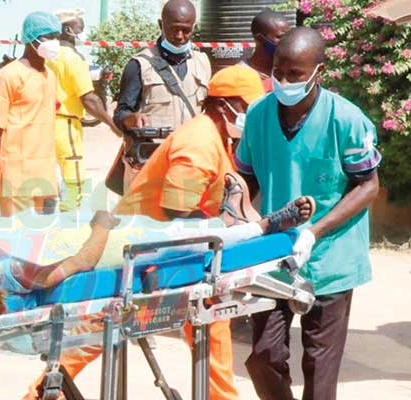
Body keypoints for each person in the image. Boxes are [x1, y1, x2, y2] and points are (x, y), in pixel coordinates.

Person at [43, 65, 266, 400]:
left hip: (163, 251)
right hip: (135, 254)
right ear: (224, 105)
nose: (250, 116)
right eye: (247, 107)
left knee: (212, 326)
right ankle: (36, 395)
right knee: (93, 335)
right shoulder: (199, 144)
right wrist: (234, 226)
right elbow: (178, 212)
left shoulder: (216, 136)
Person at [236, 27, 381, 400]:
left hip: (332, 257)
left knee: (319, 369)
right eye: (278, 70)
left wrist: (313, 232)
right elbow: (246, 176)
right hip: (274, 255)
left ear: (319, 70)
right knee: (263, 356)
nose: (283, 80)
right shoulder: (259, 114)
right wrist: (239, 213)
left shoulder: (347, 120)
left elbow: (368, 185)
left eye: (295, 74)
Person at [0, 186, 315, 317]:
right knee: (170, 240)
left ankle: (235, 221)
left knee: (163, 229)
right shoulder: (1, 271)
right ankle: (257, 228)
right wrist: (101, 227)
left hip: (58, 233)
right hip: (95, 247)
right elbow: (76, 265)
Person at [111, 0, 212, 191]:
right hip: (149, 167)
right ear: (160, 25)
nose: (180, 36)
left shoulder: (203, 62)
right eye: (173, 29)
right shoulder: (139, 64)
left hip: (190, 166)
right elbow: (120, 114)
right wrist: (131, 119)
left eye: (186, 30)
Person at [0, 12, 61, 217]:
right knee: (17, 239)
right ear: (31, 39)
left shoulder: (50, 76)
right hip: (15, 176)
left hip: (45, 174)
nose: (54, 42)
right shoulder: (7, 77)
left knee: (44, 239)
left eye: (56, 36)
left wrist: (56, 169)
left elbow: (46, 125)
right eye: (48, 36)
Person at [46, 8, 121, 211]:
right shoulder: (72, 58)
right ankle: (70, 214)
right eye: (82, 27)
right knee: (73, 172)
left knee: (45, 173)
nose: (84, 31)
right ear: (69, 30)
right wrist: (111, 123)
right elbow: (89, 99)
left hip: (43, 122)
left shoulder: (46, 55)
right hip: (66, 123)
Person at [241, 9, 291, 92]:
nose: (287, 41)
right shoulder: (241, 75)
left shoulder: (290, 72)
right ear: (260, 38)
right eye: (280, 37)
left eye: (288, 36)